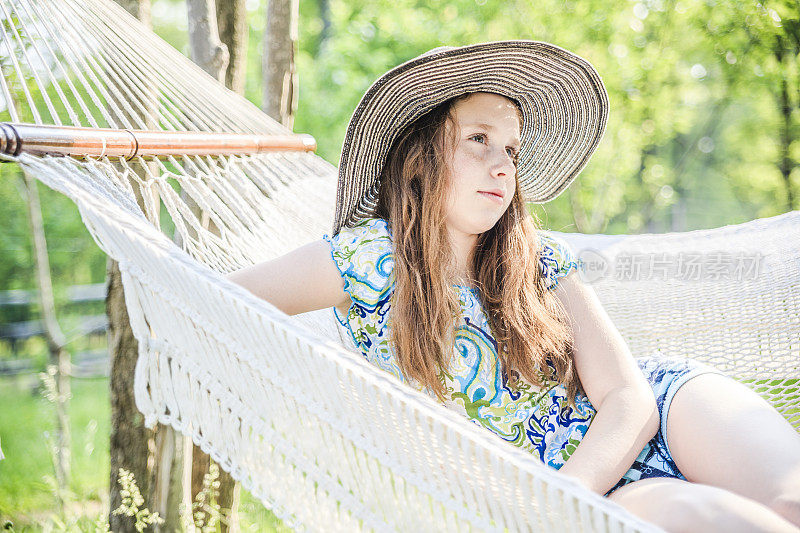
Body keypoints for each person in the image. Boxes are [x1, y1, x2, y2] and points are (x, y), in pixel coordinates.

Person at [229, 41, 800, 531]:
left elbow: (630, 399)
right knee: (703, 519)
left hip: (659, 418)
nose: (502, 165)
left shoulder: (538, 258)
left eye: (512, 150)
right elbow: (216, 301)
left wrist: (560, 503)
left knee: (790, 503)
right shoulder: (366, 260)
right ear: (418, 160)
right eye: (478, 138)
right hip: (586, 497)